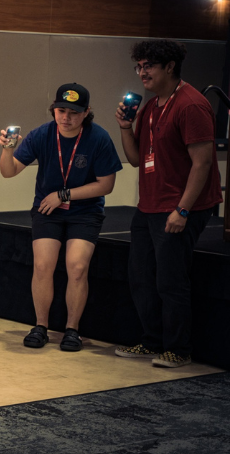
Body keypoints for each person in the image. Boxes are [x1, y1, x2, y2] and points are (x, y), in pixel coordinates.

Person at [114, 39, 223, 368]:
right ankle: (152, 341)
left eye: (149, 66)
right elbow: (135, 158)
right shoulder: (150, 106)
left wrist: (183, 210)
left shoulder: (191, 105)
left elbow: (203, 163)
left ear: (170, 67)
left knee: (170, 280)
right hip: (149, 204)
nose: (142, 73)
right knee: (141, 276)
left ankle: (179, 348)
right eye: (139, 67)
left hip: (180, 206)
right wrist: (124, 126)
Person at [0, 83, 122, 351]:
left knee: (77, 267)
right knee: (43, 265)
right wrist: (7, 150)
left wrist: (63, 195)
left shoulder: (98, 138)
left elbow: (106, 185)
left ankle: (72, 330)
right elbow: (9, 172)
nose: (66, 118)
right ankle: (41, 326)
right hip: (47, 210)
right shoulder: (42, 134)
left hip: (84, 211)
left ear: (86, 113)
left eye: (74, 113)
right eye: (61, 110)